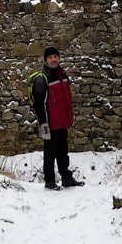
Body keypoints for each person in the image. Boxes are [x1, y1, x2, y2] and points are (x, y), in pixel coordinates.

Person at [32, 46, 85, 190]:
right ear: (45, 60)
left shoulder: (63, 75)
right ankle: (49, 182)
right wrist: (43, 124)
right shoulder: (42, 79)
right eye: (50, 57)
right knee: (50, 154)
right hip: (51, 123)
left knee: (63, 152)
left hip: (63, 121)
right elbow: (39, 104)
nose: (54, 59)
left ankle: (66, 178)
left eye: (56, 56)